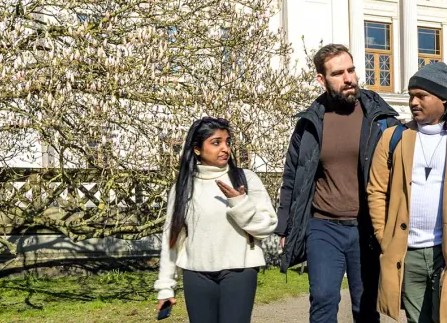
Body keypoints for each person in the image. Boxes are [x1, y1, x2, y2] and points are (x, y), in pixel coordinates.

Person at [276, 44, 399, 323]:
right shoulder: (309, 123)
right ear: (322, 79)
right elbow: (292, 175)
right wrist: (285, 225)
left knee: (365, 306)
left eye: (351, 70)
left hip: (367, 227)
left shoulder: (381, 119)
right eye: (338, 73)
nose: (348, 78)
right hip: (323, 226)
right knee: (322, 300)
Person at [368, 62, 447, 323]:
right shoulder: (393, 138)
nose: (413, 102)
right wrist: (384, 235)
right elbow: (376, 191)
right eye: (411, 95)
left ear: (443, 100)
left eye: (421, 95)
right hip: (407, 252)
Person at [154, 116, 278, 323]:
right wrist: (165, 286)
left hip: (239, 271)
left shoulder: (246, 178)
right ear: (196, 149)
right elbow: (172, 237)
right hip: (197, 274)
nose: (225, 149)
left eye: (227, 142)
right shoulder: (183, 187)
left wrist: (239, 204)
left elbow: (267, 226)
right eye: (216, 142)